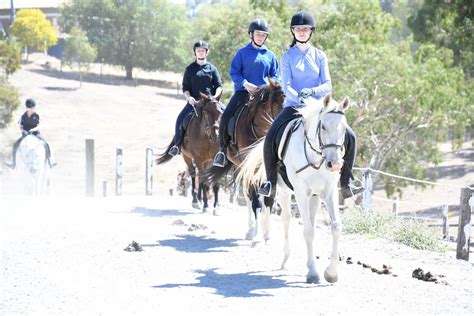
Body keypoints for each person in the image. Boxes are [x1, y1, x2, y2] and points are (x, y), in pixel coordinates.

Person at [258, 11, 363, 200]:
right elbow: (287, 85)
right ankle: (270, 183)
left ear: (311, 32)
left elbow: (327, 84)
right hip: (294, 106)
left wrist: (313, 92)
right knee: (271, 135)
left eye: (305, 29)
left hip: (318, 106)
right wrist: (299, 97)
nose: (301, 32)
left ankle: (347, 182)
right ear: (293, 32)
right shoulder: (287, 57)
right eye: (298, 29)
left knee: (350, 136)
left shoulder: (320, 56)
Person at [213, 19, 279, 167]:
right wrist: (245, 84)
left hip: (264, 96)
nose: (260, 37)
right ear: (251, 35)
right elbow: (234, 72)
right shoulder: (242, 53)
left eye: (263, 35)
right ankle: (222, 151)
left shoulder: (270, 55)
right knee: (226, 115)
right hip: (244, 92)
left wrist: (267, 86)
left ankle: (279, 153)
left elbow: (275, 76)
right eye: (258, 34)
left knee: (280, 114)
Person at [168, 40, 223, 156]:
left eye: (203, 51)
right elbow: (185, 87)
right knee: (180, 119)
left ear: (206, 52)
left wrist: (215, 96)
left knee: (227, 115)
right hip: (195, 102)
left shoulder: (212, 69)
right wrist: (189, 98)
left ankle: (226, 147)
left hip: (211, 102)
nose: (201, 53)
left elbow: (219, 86)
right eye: (198, 51)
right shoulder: (189, 69)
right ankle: (177, 146)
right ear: (195, 53)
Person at [6, 98, 56, 169]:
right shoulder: (23, 116)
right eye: (30, 108)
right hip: (25, 134)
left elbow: (39, 126)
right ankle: (13, 162)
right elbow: (21, 126)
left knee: (45, 143)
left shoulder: (36, 116)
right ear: (27, 108)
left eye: (33, 108)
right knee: (16, 145)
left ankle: (50, 160)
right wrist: (23, 131)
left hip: (35, 133)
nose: (32, 109)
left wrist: (32, 130)